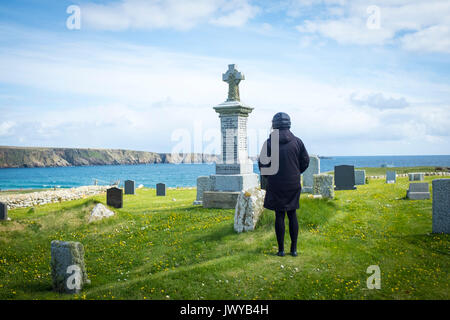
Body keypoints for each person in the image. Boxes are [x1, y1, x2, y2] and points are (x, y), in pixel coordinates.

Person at [258, 112, 309, 257]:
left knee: (279, 215)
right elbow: (305, 161)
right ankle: (293, 250)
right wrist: (296, 172)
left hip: (276, 184)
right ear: (289, 124)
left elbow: (262, 165)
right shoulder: (297, 142)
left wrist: (270, 177)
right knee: (292, 214)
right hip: (293, 183)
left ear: (274, 125)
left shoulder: (269, 143)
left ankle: (281, 250)